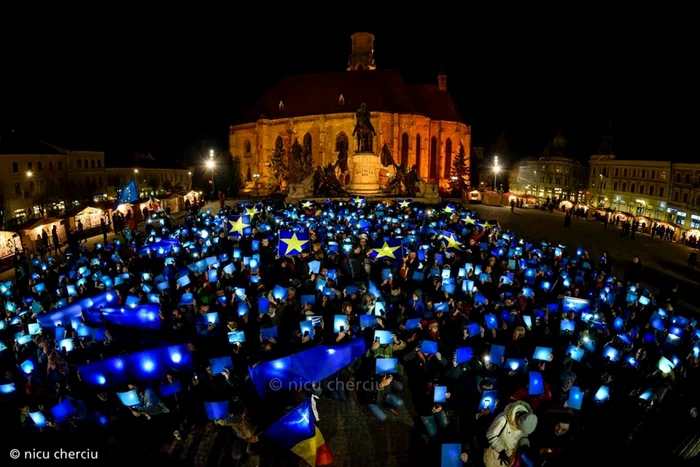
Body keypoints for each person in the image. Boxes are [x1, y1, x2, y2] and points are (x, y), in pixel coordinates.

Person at [483, 401, 537, 467]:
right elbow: (490, 435)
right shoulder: (503, 419)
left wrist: (524, 444)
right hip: (494, 457)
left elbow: (523, 435)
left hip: (510, 458)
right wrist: (501, 450)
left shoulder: (526, 420)